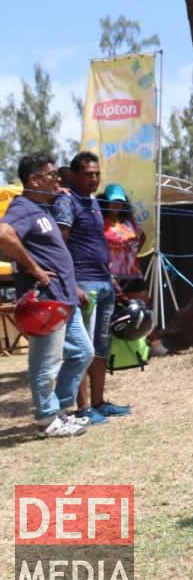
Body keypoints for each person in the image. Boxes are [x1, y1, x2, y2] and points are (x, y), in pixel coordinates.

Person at [0, 153, 93, 438]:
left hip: (65, 297)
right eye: (51, 175)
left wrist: (73, 287)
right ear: (34, 180)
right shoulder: (24, 207)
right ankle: (46, 419)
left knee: (82, 352)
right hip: (45, 300)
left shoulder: (44, 209)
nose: (57, 179)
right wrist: (35, 268)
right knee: (45, 361)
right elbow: (3, 234)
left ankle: (61, 410)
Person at [54, 152, 131, 423]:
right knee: (83, 349)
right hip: (83, 284)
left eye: (97, 174)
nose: (94, 179)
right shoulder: (67, 201)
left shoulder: (94, 202)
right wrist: (71, 284)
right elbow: (60, 245)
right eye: (88, 174)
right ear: (74, 175)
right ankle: (83, 408)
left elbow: (96, 243)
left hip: (103, 282)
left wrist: (109, 277)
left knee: (100, 347)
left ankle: (99, 403)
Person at [102, 184, 148, 299]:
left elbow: (142, 236)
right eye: (113, 200)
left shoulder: (129, 222)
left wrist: (132, 253)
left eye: (120, 201)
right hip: (111, 276)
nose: (116, 204)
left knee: (141, 309)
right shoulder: (100, 221)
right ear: (105, 201)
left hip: (133, 273)